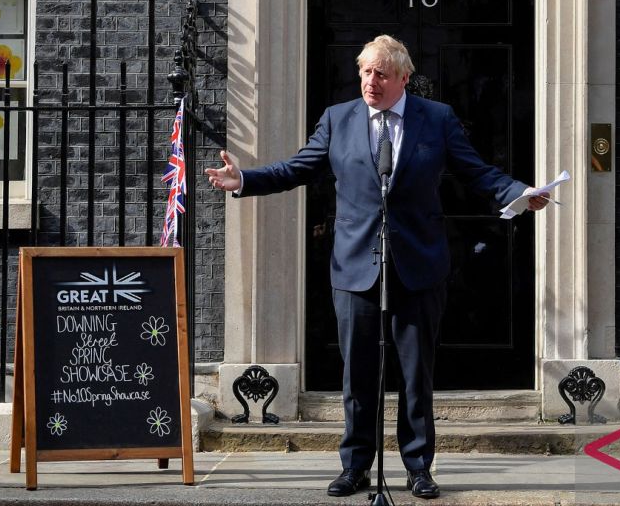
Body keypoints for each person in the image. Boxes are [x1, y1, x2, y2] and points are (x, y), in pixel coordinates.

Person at [205, 35, 549, 500]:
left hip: (418, 266)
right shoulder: (338, 119)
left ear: (403, 78)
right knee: (358, 374)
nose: (371, 81)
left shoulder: (437, 119)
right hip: (354, 266)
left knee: (415, 374)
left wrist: (518, 192)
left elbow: (476, 171)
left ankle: (418, 468)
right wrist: (244, 178)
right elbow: (298, 168)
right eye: (366, 72)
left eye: (382, 74)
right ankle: (355, 467)